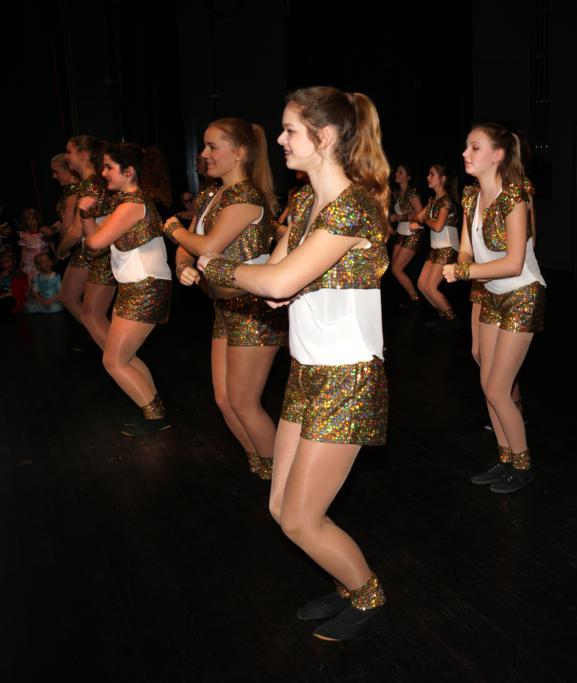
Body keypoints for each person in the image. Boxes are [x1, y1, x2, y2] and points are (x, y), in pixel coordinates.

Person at [198, 86, 391, 641]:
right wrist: (255, 278)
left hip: (348, 378)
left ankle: (368, 594)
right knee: (282, 508)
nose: (279, 140)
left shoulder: (354, 206)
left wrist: (216, 265)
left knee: (303, 519)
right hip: (307, 373)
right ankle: (349, 584)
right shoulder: (306, 203)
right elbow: (274, 278)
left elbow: (279, 280)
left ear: (324, 137)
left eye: (289, 130)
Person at [166, 117, 287, 491]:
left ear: (240, 152)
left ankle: (281, 481)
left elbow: (207, 245)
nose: (204, 154)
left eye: (212, 146)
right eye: (204, 145)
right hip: (224, 308)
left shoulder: (246, 197)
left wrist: (171, 228)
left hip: (253, 311)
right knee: (224, 400)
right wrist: (183, 266)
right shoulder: (210, 195)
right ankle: (261, 465)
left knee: (244, 402)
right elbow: (190, 249)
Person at [443, 123, 546, 493]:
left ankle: (523, 465)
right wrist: (464, 262)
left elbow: (515, 263)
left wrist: (464, 271)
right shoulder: (471, 196)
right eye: (466, 146)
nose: (465, 154)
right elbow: (467, 248)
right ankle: (505, 458)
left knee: (498, 388)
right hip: (490, 293)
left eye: (475, 147)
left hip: (522, 295)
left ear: (497, 155)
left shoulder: (513, 197)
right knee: (488, 383)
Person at [80, 143, 173, 435]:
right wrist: (88, 218)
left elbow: (94, 243)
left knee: (114, 360)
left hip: (146, 287)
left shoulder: (132, 205)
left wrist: (85, 216)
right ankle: (155, 411)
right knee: (124, 358)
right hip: (137, 286)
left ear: (128, 171)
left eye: (109, 167)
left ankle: (155, 417)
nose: (103, 172)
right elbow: (96, 245)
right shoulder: (126, 203)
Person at [60, 135, 115, 347]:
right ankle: (111, 352)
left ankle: (116, 356)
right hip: (97, 252)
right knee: (89, 312)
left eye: (69, 152)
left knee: (92, 315)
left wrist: (60, 249)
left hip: (96, 253)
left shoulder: (90, 184)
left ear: (83, 155)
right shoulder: (95, 182)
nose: (66, 157)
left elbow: (76, 231)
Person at [413, 163, 461, 330]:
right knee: (422, 285)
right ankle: (444, 315)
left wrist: (424, 219)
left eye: (432, 174)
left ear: (443, 179)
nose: (428, 177)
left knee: (430, 287)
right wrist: (416, 220)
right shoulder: (432, 200)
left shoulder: (446, 201)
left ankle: (453, 319)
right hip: (436, 248)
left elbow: (438, 226)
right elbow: (418, 216)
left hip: (447, 247)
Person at [387, 164, 424, 306]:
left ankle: (415, 299)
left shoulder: (411, 193)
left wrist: (398, 218)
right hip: (401, 233)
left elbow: (421, 214)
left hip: (413, 233)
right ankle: (411, 296)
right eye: (397, 171)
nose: (396, 174)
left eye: (400, 172)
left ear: (408, 177)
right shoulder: (397, 193)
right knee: (394, 269)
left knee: (397, 269)